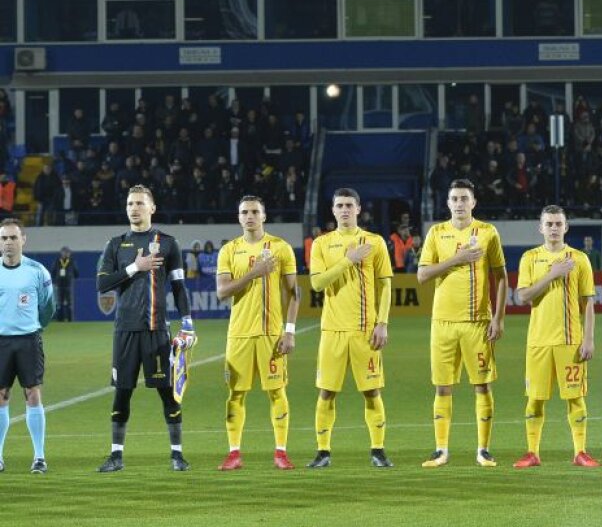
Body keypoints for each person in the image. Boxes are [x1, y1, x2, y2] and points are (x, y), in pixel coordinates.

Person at [96, 185, 195, 472]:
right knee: (122, 392)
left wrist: (187, 324)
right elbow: (103, 284)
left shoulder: (167, 243)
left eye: (140, 203)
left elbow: (179, 288)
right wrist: (135, 267)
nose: (134, 208)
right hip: (125, 330)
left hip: (156, 331)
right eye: (130, 203)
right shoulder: (116, 244)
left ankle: (177, 455)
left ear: (152, 208)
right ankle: (116, 456)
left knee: (167, 392)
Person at [417, 179, 507, 468]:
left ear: (473, 202)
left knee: (482, 386)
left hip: (477, 323)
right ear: (448, 203)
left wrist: (498, 317)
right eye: (454, 198)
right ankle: (441, 450)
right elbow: (422, 275)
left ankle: (483, 449)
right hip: (442, 323)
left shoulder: (488, 232)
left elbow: (501, 276)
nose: (459, 203)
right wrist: (457, 259)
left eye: (464, 198)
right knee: (442, 387)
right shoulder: (436, 233)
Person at [306, 188, 394, 469]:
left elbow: (385, 285)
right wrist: (349, 259)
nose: (344, 210)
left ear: (358, 209)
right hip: (332, 331)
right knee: (327, 392)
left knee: (371, 391)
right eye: (339, 205)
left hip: (365, 331)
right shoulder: (321, 244)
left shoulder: (375, 242)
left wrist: (382, 323)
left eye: (349, 205)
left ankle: (378, 450)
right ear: (333, 210)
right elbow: (317, 284)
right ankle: (323, 452)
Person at [215, 196, 302, 471]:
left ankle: (281, 452)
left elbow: (294, 294)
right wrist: (254, 272)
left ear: (264, 216)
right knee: (236, 394)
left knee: (277, 392)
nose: (249, 216)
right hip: (239, 334)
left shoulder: (281, 248)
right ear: (238, 217)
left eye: (255, 211)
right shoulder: (229, 250)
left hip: (271, 335)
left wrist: (289, 331)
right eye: (244, 212)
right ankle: (233, 453)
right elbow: (222, 292)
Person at [512, 206, 598, 468]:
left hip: (570, 340)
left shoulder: (579, 259)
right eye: (548, 224)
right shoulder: (530, 258)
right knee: (535, 398)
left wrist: (589, 339)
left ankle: (580, 451)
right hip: (538, 341)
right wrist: (552, 274)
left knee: (575, 397)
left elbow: (589, 303)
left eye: (558, 224)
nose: (553, 228)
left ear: (566, 227)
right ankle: (532, 452)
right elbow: (521, 297)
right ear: (541, 227)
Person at [0, 218, 55, 473]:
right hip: (1, 341)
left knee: (32, 394)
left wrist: (36, 326)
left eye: (13, 237)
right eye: (4, 238)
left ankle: (39, 457)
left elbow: (48, 306)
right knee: (1, 397)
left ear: (23, 239)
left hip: (28, 340)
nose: (8, 243)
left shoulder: (37, 271)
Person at [52, 246, 78, 322]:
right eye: (64, 252)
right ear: (61, 253)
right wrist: (56, 278)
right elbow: (53, 271)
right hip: (59, 284)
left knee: (69, 303)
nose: (66, 254)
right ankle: (60, 319)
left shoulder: (71, 261)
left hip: (69, 284)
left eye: (67, 252)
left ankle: (70, 319)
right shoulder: (58, 261)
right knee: (60, 302)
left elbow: (76, 272)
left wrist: (73, 277)